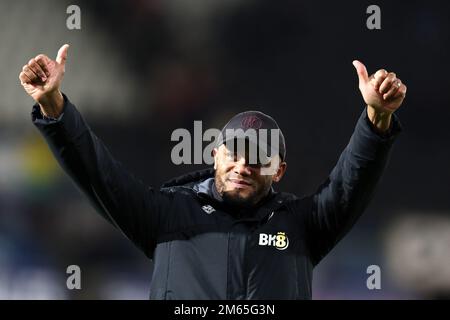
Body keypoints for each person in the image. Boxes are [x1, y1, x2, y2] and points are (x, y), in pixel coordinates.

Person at [19, 44, 406, 299]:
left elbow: (352, 181)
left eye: (259, 159)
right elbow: (97, 173)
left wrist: (377, 117)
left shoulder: (304, 226)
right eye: (234, 153)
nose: (243, 166)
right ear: (216, 155)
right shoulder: (167, 215)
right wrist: (54, 106)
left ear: (279, 170)